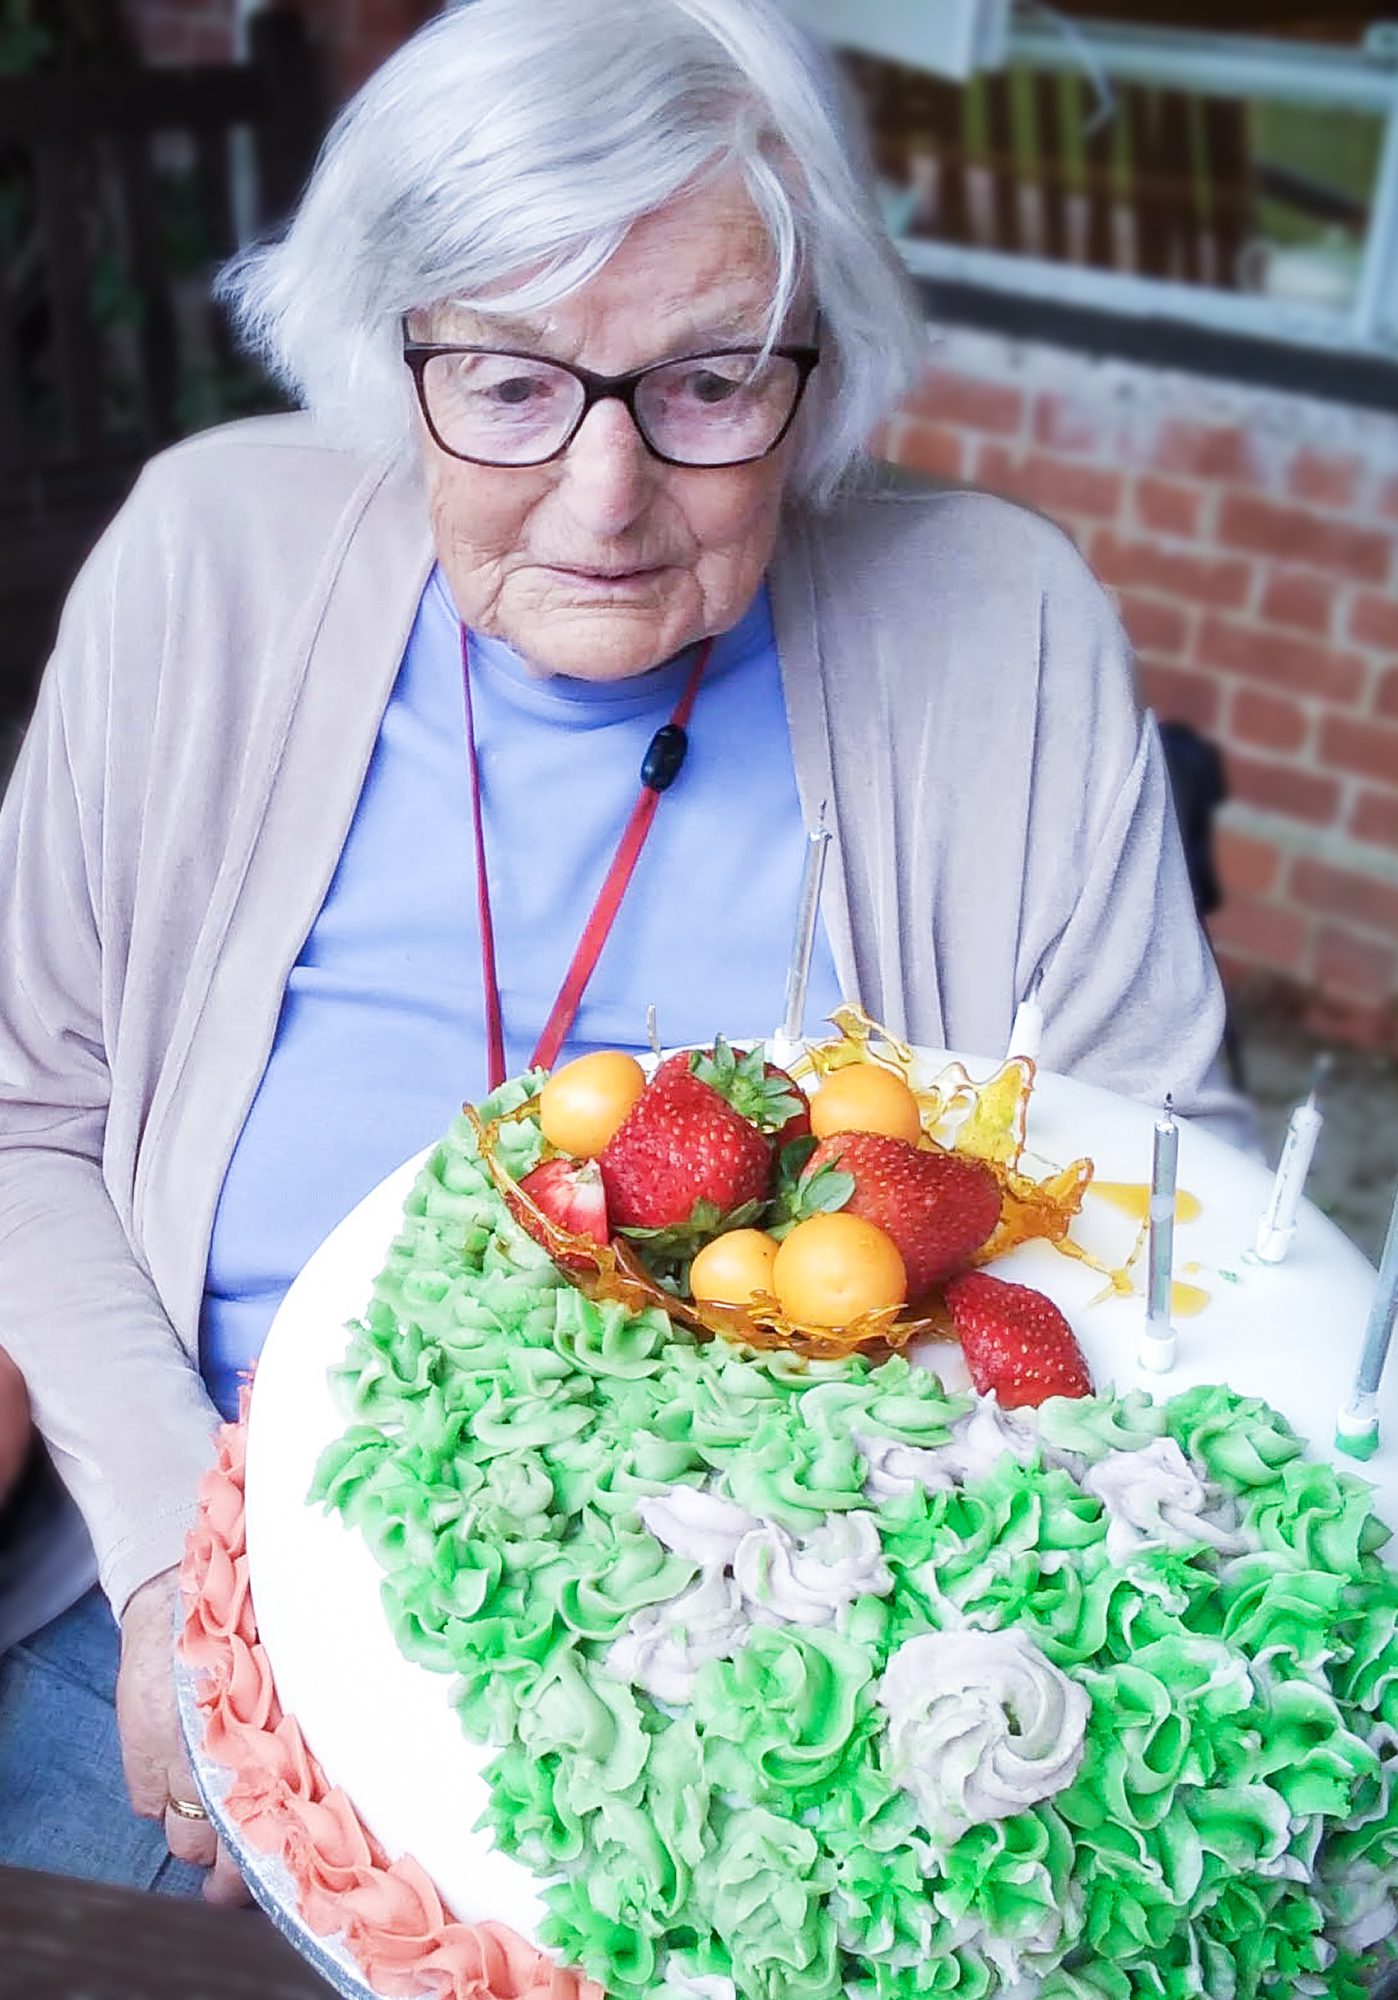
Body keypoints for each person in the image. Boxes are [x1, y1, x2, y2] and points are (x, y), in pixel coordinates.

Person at [0, 0, 1239, 1904]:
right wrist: (184, 1571)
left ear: (815, 377)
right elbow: (26, 1112)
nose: (602, 496)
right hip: (192, 1568)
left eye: (707, 383)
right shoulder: (206, 561)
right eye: (502, 383)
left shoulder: (1003, 627)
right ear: (379, 343)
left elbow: (1174, 1206)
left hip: (810, 1679)